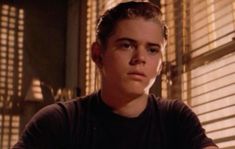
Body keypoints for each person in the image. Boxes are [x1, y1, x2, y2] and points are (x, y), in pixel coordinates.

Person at [12, 1, 218, 149]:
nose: (140, 58)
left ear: (160, 64)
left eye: (152, 49)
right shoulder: (59, 122)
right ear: (97, 54)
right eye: (127, 45)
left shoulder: (177, 118)